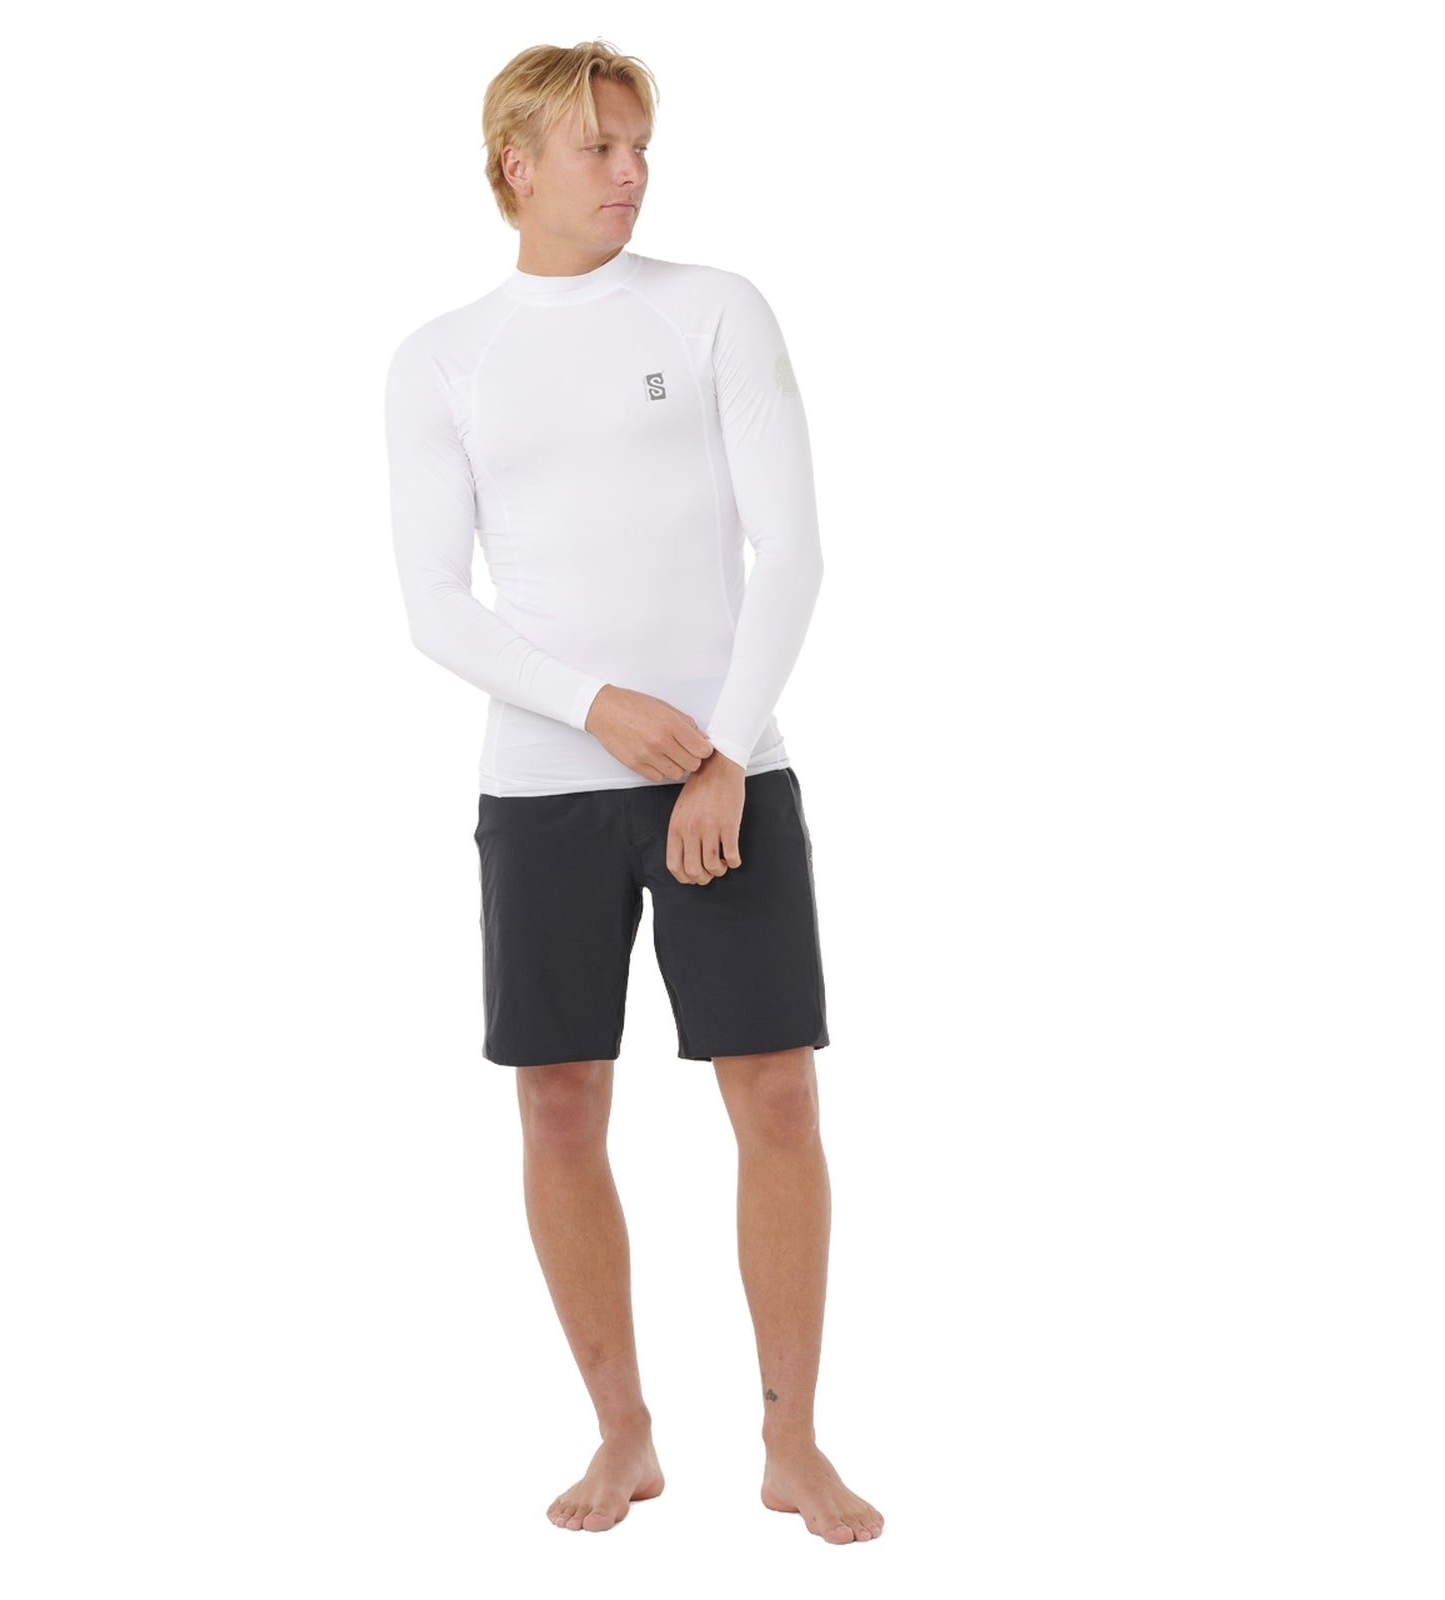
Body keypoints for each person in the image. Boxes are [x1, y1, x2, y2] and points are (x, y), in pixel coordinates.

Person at [385, 41, 882, 1545]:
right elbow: (434, 604)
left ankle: (792, 1444)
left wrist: (722, 752)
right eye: (598, 147)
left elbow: (793, 552)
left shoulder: (715, 307)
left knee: (776, 1094)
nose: (630, 171)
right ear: (516, 166)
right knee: (558, 1107)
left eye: (639, 144)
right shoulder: (443, 358)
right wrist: (597, 709)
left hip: (732, 772)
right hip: (547, 785)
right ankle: (624, 1435)